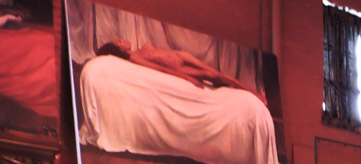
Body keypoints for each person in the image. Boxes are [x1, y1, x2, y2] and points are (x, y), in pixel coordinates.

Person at [95, 39, 269, 106]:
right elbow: (160, 69)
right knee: (215, 76)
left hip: (181, 56)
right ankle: (256, 95)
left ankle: (249, 93)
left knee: (216, 75)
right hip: (177, 67)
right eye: (119, 42)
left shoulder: (138, 51)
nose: (123, 40)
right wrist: (186, 77)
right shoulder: (135, 58)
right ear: (118, 49)